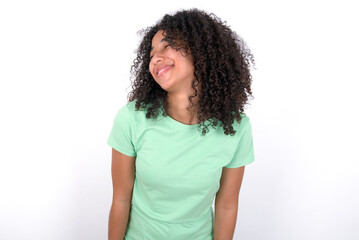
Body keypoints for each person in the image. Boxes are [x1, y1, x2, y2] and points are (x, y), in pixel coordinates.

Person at [107, 8, 256, 240]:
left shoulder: (235, 128)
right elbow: (121, 199)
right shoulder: (131, 118)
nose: (155, 58)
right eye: (151, 53)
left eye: (167, 45)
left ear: (200, 50)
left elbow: (227, 206)